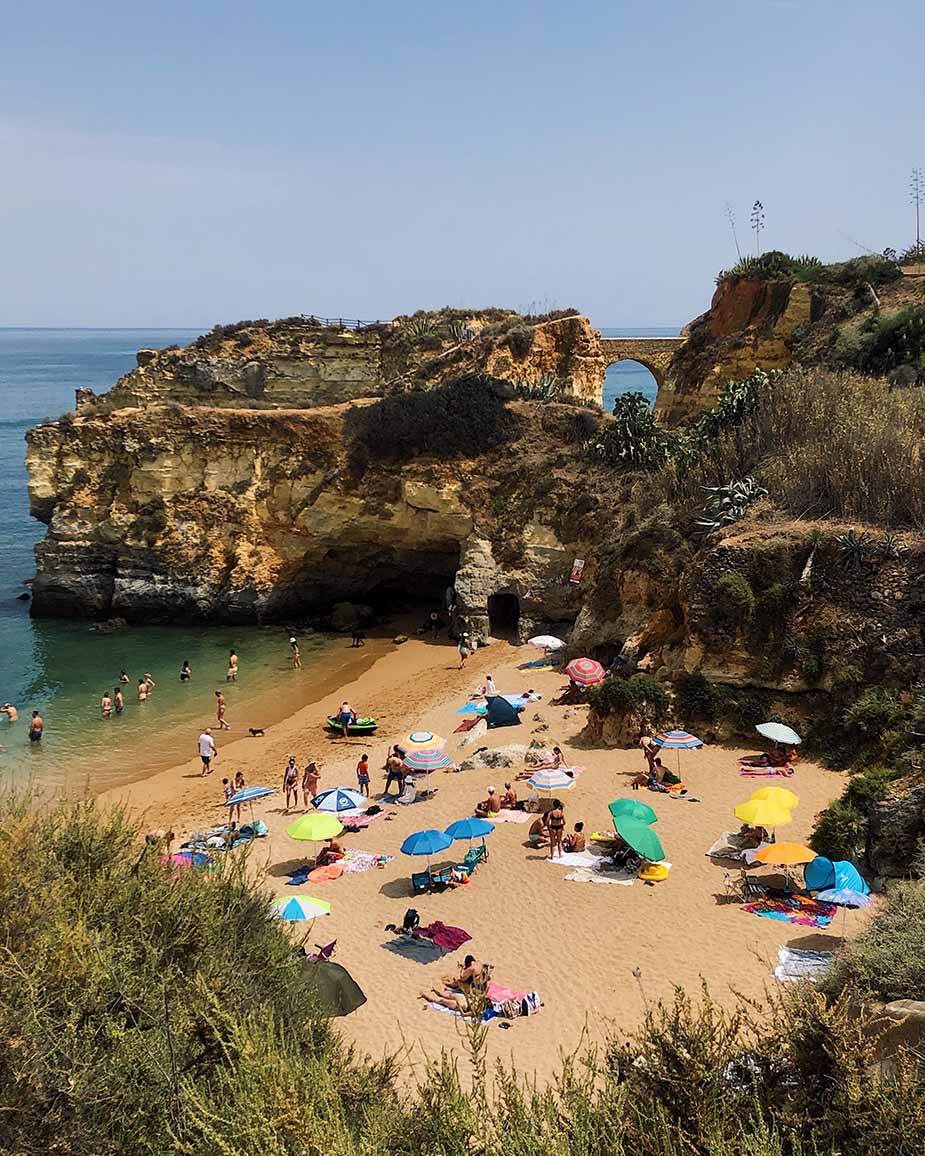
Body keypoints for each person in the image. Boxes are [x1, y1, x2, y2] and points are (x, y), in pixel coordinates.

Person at [420, 955, 489, 1013]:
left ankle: (447, 986)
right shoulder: (479, 963)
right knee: (445, 997)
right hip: (480, 987)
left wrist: (462, 969)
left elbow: (462, 978)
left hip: (472, 992)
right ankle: (434, 991)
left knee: (455, 986)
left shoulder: (471, 968)